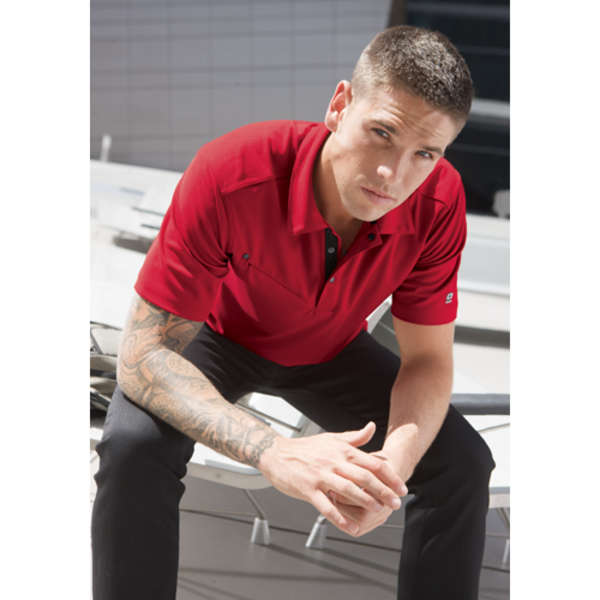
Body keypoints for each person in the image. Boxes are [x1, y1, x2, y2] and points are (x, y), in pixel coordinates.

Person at [92, 25, 495, 600]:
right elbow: (144, 354)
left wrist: (391, 472)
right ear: (340, 105)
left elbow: (428, 360)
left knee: (462, 463)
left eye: (424, 154)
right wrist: (272, 451)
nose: (394, 175)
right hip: (215, 337)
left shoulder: (439, 201)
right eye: (381, 133)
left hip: (330, 349)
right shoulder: (233, 170)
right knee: (134, 445)